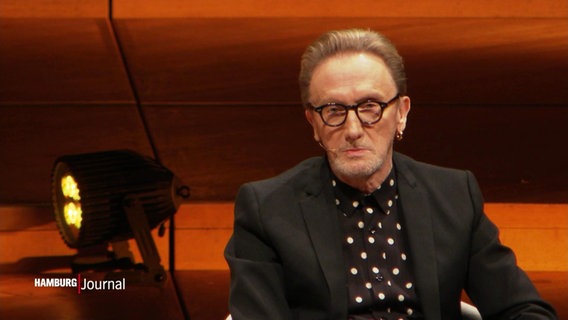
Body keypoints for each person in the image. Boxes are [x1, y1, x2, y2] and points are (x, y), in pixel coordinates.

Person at [224, 28, 557, 319]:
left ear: (401, 113)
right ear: (313, 122)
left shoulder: (454, 195)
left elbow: (521, 309)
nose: (353, 129)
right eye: (334, 110)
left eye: (370, 107)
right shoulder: (267, 208)